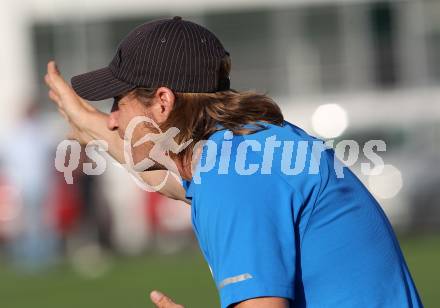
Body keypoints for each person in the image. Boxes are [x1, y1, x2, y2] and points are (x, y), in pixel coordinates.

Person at [44, 16, 422, 308]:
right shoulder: (248, 144)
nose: (111, 118)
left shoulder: (234, 178)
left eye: (117, 104)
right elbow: (175, 180)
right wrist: (88, 123)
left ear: (162, 102)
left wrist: (90, 126)